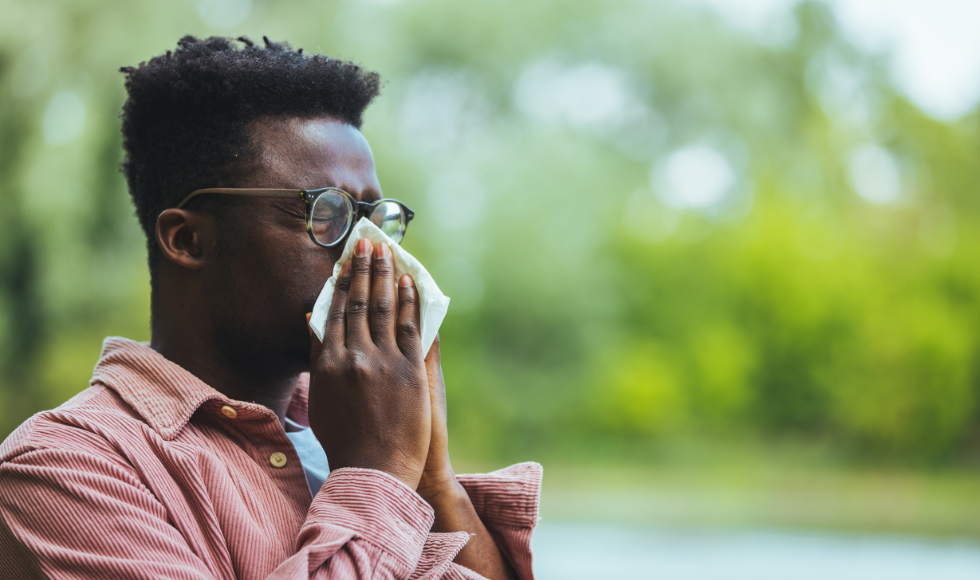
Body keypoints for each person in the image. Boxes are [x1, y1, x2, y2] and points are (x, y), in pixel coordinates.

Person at [0, 36, 540, 580]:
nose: (371, 250)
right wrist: (379, 475)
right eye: (327, 213)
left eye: (377, 218)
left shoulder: (350, 429)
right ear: (188, 240)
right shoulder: (67, 467)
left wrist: (429, 475)